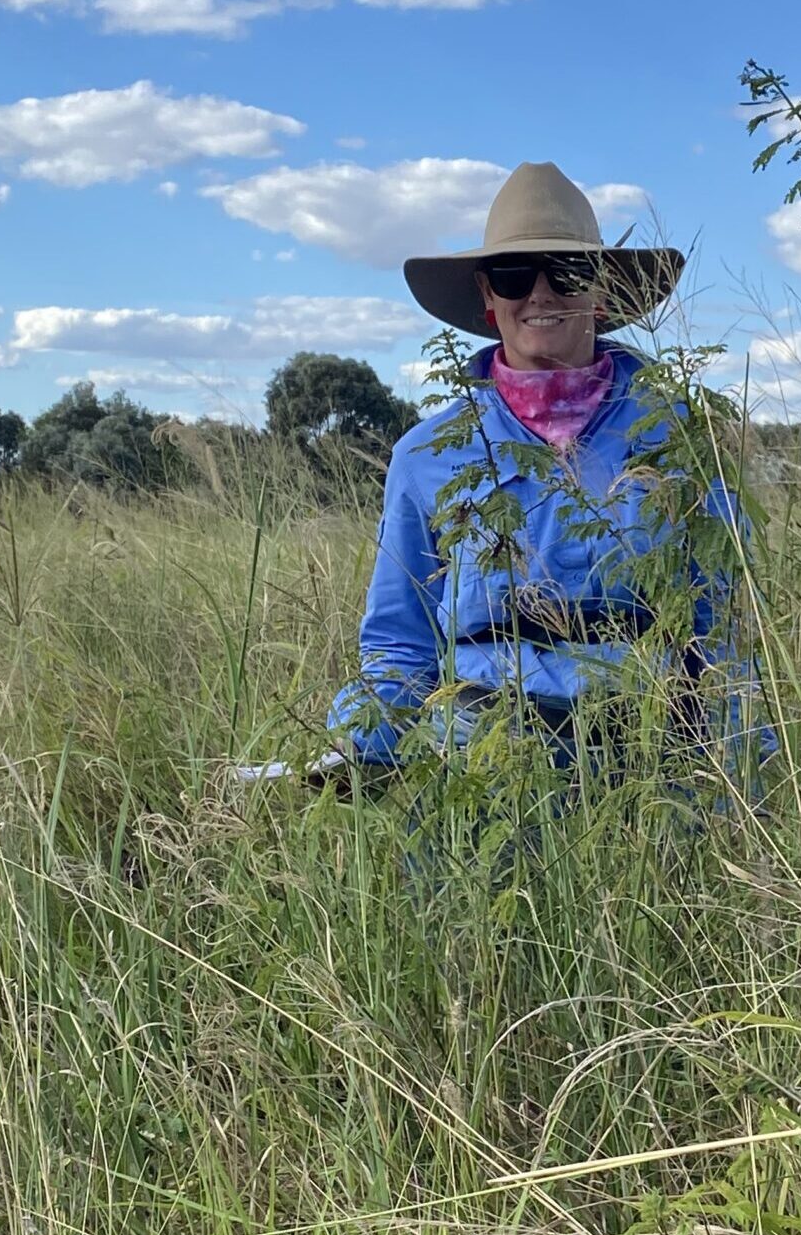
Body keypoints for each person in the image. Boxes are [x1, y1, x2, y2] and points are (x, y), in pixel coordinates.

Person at [310, 160, 768, 791]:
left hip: (659, 743)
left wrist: (743, 780)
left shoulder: (686, 436)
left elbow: (728, 625)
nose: (541, 293)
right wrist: (360, 749)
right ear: (488, 297)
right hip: (481, 750)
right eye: (514, 274)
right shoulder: (426, 455)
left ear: (602, 289)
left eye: (568, 271)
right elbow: (399, 640)